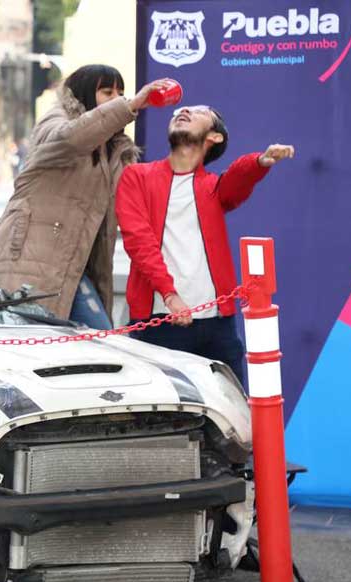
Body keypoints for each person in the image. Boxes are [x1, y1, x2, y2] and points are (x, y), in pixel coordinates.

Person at [0, 65, 175, 328]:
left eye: (120, 93)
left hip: (77, 268)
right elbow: (70, 139)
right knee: (40, 339)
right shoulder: (56, 120)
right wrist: (130, 105)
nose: (116, 98)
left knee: (98, 338)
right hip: (30, 259)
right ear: (84, 93)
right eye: (107, 92)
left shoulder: (116, 149)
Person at [116, 105, 294, 383]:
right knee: (165, 408)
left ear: (215, 137)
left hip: (218, 326)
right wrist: (170, 295)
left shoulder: (213, 187)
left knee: (232, 405)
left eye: (199, 112)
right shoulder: (136, 176)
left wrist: (260, 161)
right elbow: (139, 241)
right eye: (180, 110)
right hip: (159, 320)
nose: (184, 110)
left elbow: (237, 179)